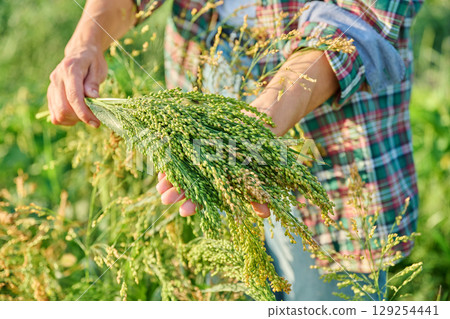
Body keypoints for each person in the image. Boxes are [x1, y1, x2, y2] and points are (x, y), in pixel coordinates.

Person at [47, 0, 423, 300]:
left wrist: (250, 131)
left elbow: (357, 24)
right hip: (201, 117)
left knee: (327, 292)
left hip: (333, 133)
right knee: (229, 282)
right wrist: (86, 43)